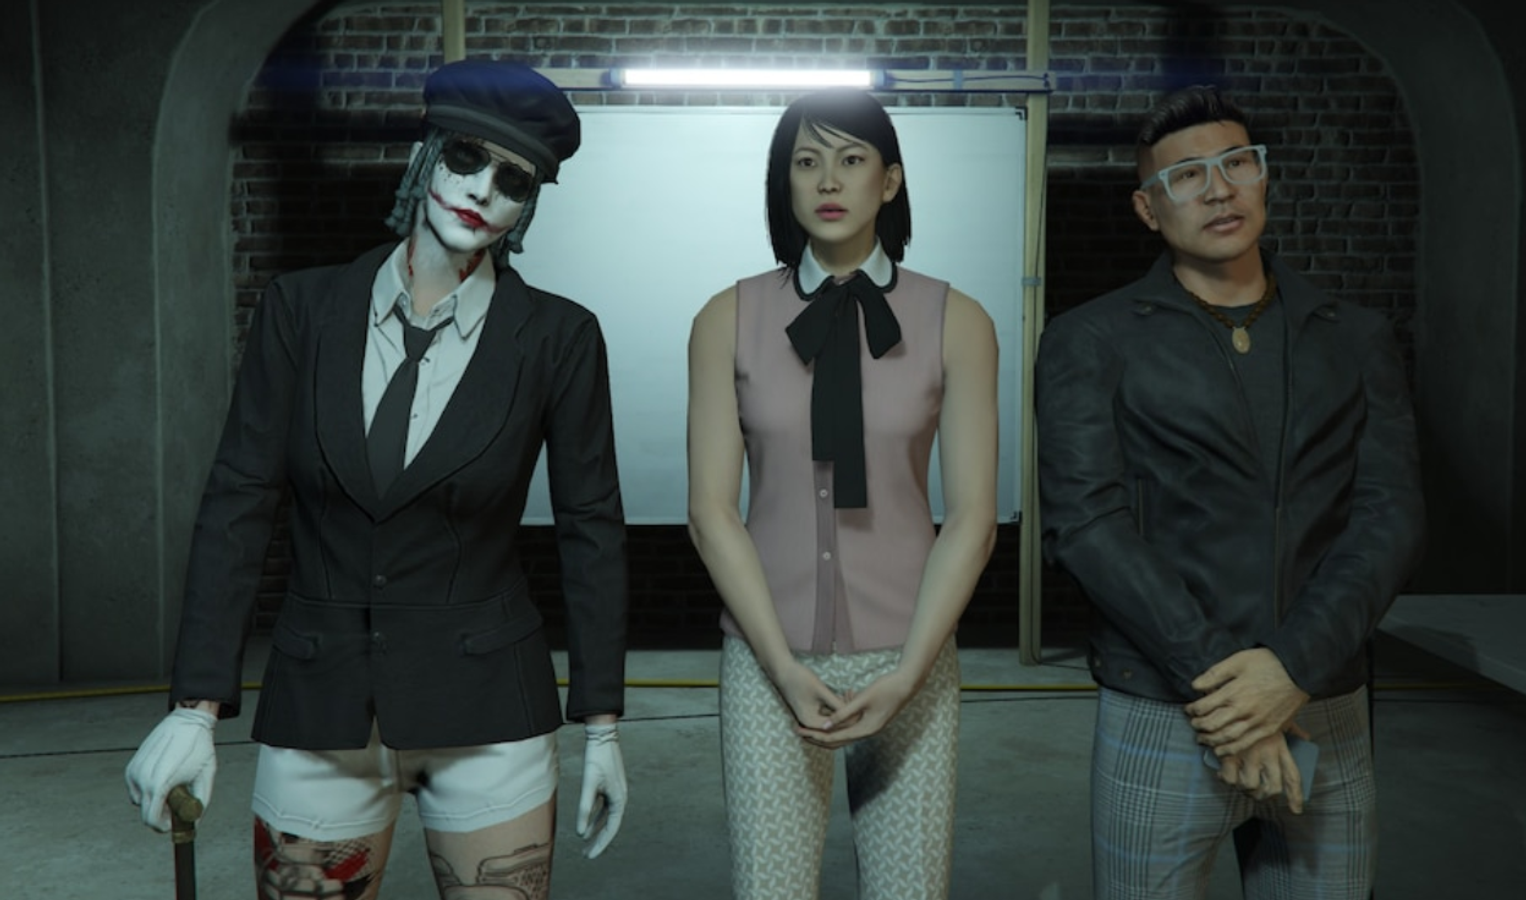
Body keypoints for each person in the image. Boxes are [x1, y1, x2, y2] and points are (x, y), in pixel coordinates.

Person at [124, 59, 630, 899]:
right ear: (425, 156)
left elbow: (592, 528)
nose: (482, 190)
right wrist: (194, 707)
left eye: (513, 180)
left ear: (527, 206)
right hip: (320, 699)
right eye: (466, 157)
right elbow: (239, 500)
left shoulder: (557, 338)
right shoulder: (301, 310)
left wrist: (603, 724)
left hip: (489, 705)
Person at [1034, 84, 1426, 899]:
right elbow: (1087, 524)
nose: (1219, 189)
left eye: (1237, 163)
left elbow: (1389, 515)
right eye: (1187, 176)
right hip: (1168, 701)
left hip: (1322, 695)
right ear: (1148, 209)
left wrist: (1291, 668)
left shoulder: (1356, 337)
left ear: (1263, 177)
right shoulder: (1090, 339)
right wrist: (1230, 688)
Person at [686, 88, 998, 900]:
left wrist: (911, 670)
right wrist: (780, 666)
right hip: (768, 657)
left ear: (889, 181)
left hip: (911, 653)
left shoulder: (956, 320)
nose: (828, 179)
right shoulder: (726, 318)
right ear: (784, 182)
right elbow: (711, 511)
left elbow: (972, 517)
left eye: (851, 159)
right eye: (806, 161)